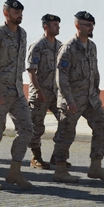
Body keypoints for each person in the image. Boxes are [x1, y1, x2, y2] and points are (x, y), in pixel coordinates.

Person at [51, 11, 104, 183]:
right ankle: (60, 169)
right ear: (78, 26)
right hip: (72, 99)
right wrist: (68, 100)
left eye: (92, 24)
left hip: (90, 98)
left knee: (102, 128)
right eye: (87, 24)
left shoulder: (92, 46)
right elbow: (61, 78)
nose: (91, 27)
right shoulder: (68, 48)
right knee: (66, 133)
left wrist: (97, 92)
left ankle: (95, 167)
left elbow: (95, 71)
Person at [0, 0, 34, 191]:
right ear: (6, 13)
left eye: (21, 11)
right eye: (15, 11)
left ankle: (15, 171)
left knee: (27, 128)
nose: (19, 14)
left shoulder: (22, 34)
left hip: (17, 92)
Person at [26, 14, 62, 170]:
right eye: (55, 24)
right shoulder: (37, 46)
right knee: (37, 126)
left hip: (56, 93)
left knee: (66, 121)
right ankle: (36, 157)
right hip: (40, 93)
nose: (58, 27)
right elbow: (31, 71)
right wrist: (38, 91)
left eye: (58, 24)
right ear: (46, 26)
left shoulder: (60, 45)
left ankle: (57, 156)